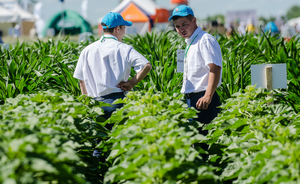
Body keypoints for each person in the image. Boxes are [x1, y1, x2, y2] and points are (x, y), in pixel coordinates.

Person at [73, 12, 152, 123]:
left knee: (98, 138)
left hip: (94, 104)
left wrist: (87, 102)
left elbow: (81, 81)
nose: (124, 32)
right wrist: (131, 83)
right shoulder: (124, 48)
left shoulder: (87, 50)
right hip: (117, 103)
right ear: (117, 29)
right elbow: (146, 66)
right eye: (124, 28)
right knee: (118, 138)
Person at [168, 5, 222, 136]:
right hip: (194, 99)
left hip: (203, 98)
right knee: (197, 142)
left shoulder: (205, 40)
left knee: (204, 142)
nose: (181, 29)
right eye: (177, 26)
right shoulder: (191, 42)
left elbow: (215, 68)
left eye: (184, 24)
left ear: (194, 21)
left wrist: (208, 96)